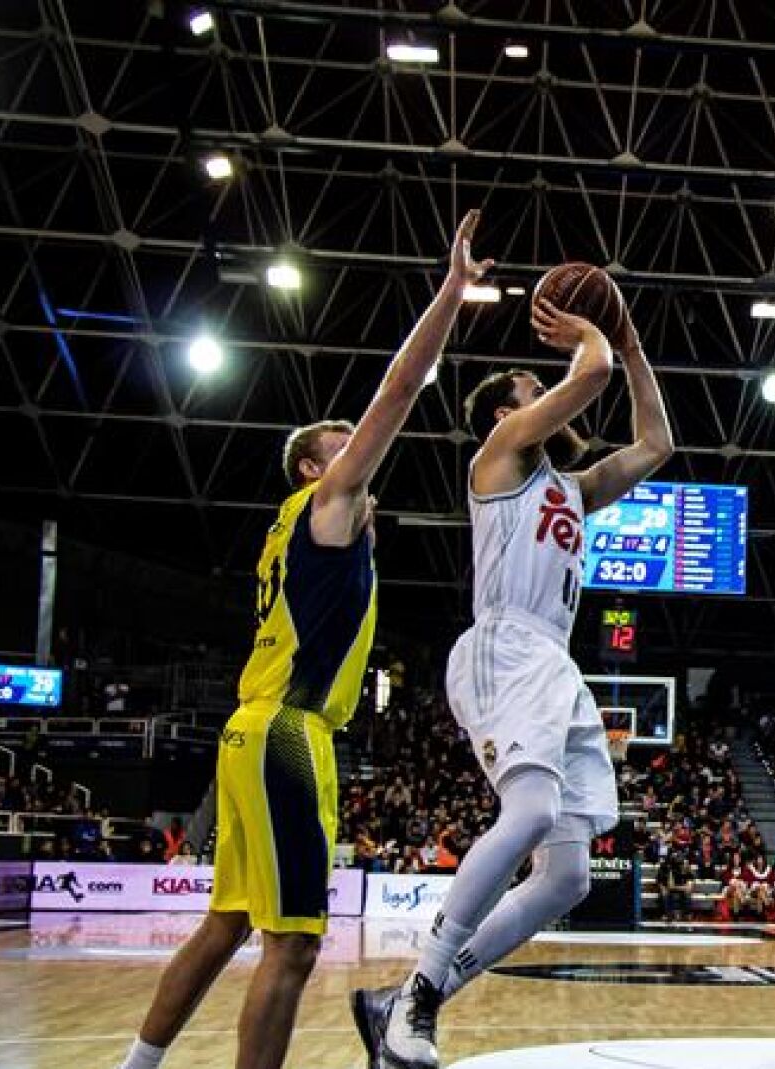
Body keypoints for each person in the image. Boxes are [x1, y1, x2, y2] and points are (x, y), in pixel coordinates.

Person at [113, 211, 494, 1069]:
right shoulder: (324, 509)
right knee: (292, 947)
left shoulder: (297, 533)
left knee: (226, 925)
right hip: (290, 733)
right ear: (316, 470)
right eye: (344, 450)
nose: (363, 460)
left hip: (249, 728)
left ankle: (134, 1066)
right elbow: (400, 390)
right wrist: (449, 294)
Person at [353, 289, 672, 1069]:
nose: (548, 393)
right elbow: (589, 371)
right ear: (506, 414)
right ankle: (420, 996)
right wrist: (596, 335)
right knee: (529, 814)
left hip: (554, 662)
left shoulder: (572, 489)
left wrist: (628, 347)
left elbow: (657, 441)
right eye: (535, 389)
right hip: (505, 645)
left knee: (565, 876)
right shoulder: (497, 456)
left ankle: (404, 1001)